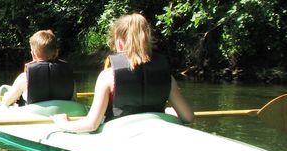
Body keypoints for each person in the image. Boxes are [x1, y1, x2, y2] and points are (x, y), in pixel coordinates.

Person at [52, 13, 194, 132]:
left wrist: (63, 123)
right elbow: (188, 117)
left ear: (119, 41)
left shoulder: (108, 76)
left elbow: (91, 125)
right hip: (157, 132)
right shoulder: (166, 77)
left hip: (121, 134)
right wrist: (170, 113)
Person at [1, 29, 75, 107]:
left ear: (33, 54)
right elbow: (74, 102)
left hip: (35, 117)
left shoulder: (24, 78)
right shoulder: (69, 76)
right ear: (56, 53)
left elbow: (5, 103)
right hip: (62, 116)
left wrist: (6, 95)